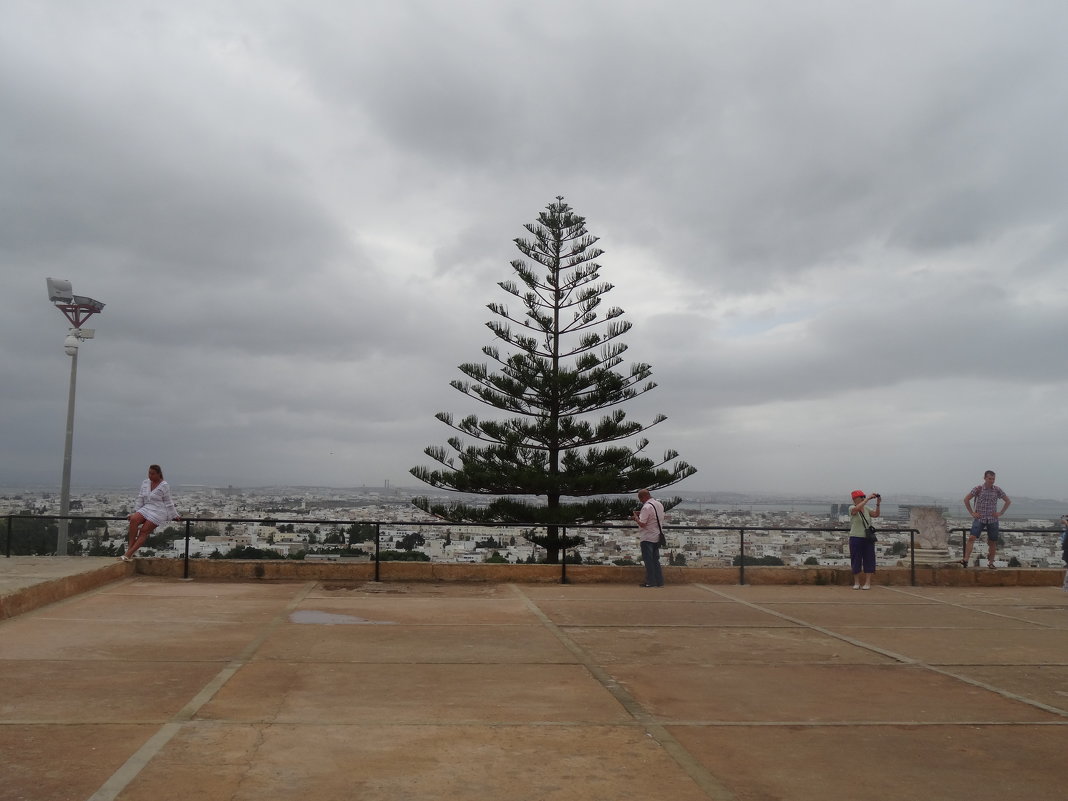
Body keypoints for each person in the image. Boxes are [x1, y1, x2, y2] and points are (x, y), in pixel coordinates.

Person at [122, 464, 180, 561]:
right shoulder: (145, 483)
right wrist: (136, 512)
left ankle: (128, 554)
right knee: (133, 520)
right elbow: (140, 498)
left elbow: (168, 501)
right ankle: (130, 548)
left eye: (152, 474)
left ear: (158, 474)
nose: (150, 475)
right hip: (147, 508)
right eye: (149, 473)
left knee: (144, 531)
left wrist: (175, 515)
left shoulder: (164, 485)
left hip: (159, 510)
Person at [961, 470, 1011, 569]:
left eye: (993, 479)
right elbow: (966, 499)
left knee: (992, 542)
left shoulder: (997, 490)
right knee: (971, 538)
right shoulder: (978, 489)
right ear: (984, 478)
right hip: (980, 518)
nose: (991, 481)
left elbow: (1008, 501)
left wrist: (1000, 513)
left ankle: (991, 562)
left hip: (992, 519)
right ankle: (966, 559)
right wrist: (972, 513)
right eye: (989, 478)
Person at [631, 488, 665, 587]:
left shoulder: (646, 507)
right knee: (655, 560)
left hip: (647, 537)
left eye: (640, 498)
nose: (640, 501)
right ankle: (659, 581)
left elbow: (642, 523)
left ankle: (651, 582)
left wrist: (636, 518)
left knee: (648, 560)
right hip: (657, 536)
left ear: (644, 497)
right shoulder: (659, 504)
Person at [848, 490, 881, 590]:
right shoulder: (851, 508)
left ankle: (867, 582)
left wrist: (878, 504)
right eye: (861, 497)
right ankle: (856, 582)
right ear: (855, 499)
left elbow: (875, 514)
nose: (863, 498)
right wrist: (867, 499)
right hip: (855, 537)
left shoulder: (866, 508)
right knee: (856, 559)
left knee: (869, 559)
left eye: (864, 496)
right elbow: (856, 509)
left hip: (867, 538)